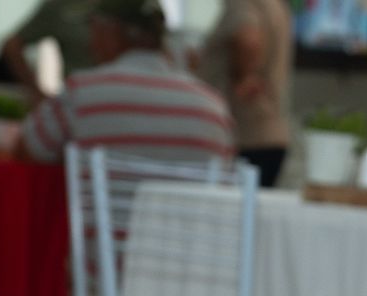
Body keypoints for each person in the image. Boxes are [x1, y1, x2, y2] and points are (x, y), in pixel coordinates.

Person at [17, 0, 233, 164]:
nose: (90, 43)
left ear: (110, 32)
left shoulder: (82, 92)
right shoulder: (213, 107)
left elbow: (25, 151)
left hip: (102, 213)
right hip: (186, 214)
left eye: (93, 29)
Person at [197, 0, 291, 186]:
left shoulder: (242, 2)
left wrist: (244, 77)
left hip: (244, 133)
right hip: (267, 132)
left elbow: (248, 39)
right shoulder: (274, 5)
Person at [0, 0, 96, 106]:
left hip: (105, 96)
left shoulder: (109, 7)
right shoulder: (60, 6)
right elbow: (12, 45)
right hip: (78, 100)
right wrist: (37, 92)